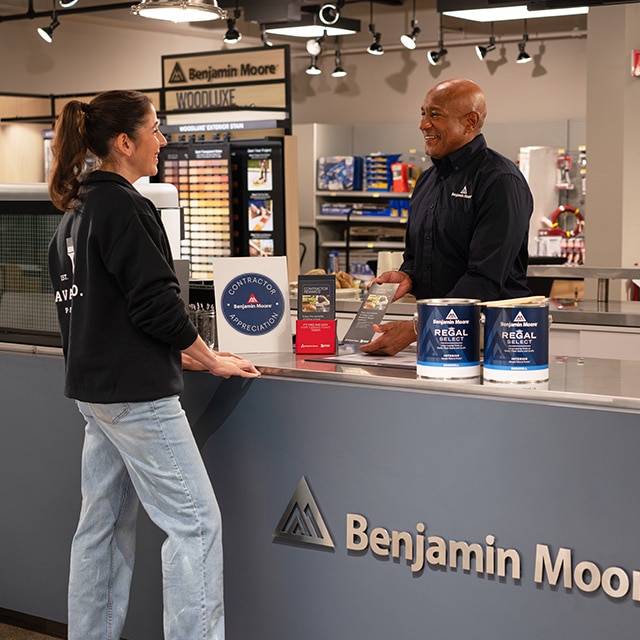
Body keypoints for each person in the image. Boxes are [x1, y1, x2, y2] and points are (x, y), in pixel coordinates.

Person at [47, 89, 261, 640]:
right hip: (138, 399)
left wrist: (195, 351)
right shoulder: (123, 205)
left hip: (95, 397)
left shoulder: (74, 212)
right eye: (156, 130)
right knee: (196, 526)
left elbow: (102, 307)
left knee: (100, 527)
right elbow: (154, 304)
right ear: (125, 142)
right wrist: (210, 357)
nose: (163, 140)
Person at [361, 78, 533, 356]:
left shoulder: (500, 181)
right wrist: (408, 276)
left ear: (470, 122)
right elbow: (419, 257)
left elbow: (485, 279)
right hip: (435, 339)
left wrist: (416, 328)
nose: (423, 124)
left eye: (435, 114)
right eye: (423, 113)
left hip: (492, 345)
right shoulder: (428, 181)